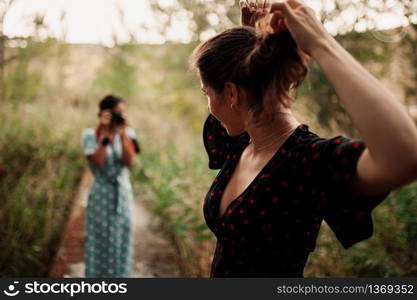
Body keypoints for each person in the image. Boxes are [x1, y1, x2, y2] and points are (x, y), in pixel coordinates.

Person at [189, 0, 417, 277]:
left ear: (232, 94)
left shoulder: (309, 162)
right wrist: (251, 36)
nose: (209, 106)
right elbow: (246, 98)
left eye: (206, 94)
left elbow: (404, 157)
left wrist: (321, 43)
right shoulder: (241, 143)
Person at [81, 94, 141, 277]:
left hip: (122, 193)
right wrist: (106, 135)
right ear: (101, 114)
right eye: (116, 112)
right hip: (101, 193)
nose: (119, 116)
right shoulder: (91, 135)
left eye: (122, 112)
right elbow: (98, 161)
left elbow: (129, 162)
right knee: (99, 239)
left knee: (122, 238)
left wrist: (121, 134)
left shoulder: (129, 134)